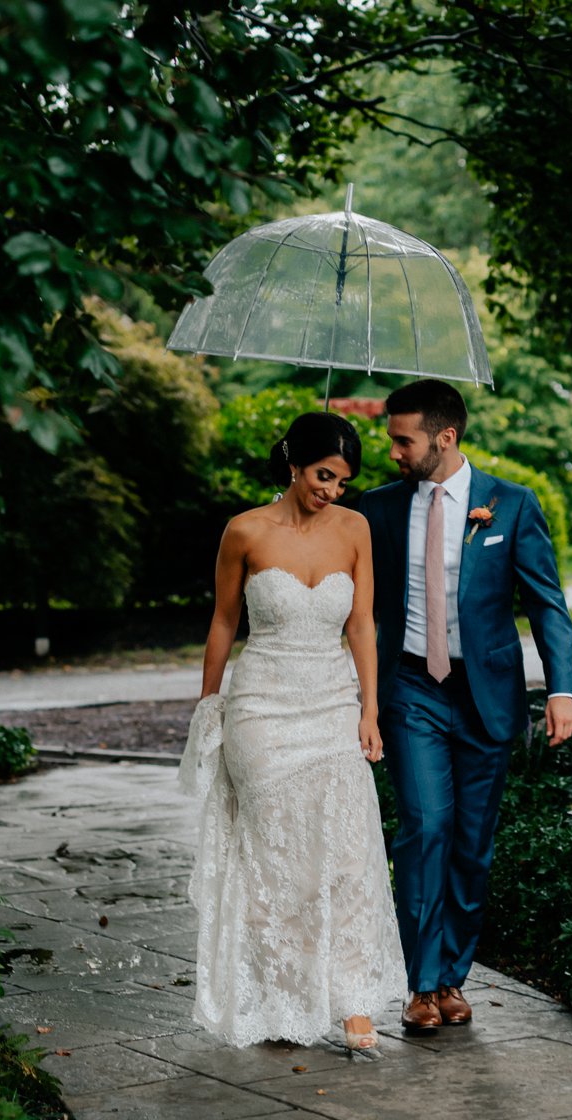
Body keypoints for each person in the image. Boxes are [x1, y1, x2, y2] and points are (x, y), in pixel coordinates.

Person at [353, 379, 572, 1034]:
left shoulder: (512, 505)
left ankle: (453, 973)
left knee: (473, 844)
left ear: (444, 438)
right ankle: (421, 984)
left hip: (486, 696)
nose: (392, 450)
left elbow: (547, 604)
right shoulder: (378, 508)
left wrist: (561, 686)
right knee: (425, 827)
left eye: (403, 439)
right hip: (412, 688)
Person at [178, 411, 407, 1053]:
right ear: (294, 462)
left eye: (342, 481)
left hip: (333, 701)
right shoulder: (244, 531)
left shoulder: (355, 529)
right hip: (262, 709)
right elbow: (224, 621)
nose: (331, 490)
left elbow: (362, 624)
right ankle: (282, 996)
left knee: (348, 850)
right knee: (274, 857)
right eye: (323, 475)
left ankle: (353, 1000)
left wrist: (369, 708)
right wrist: (209, 703)